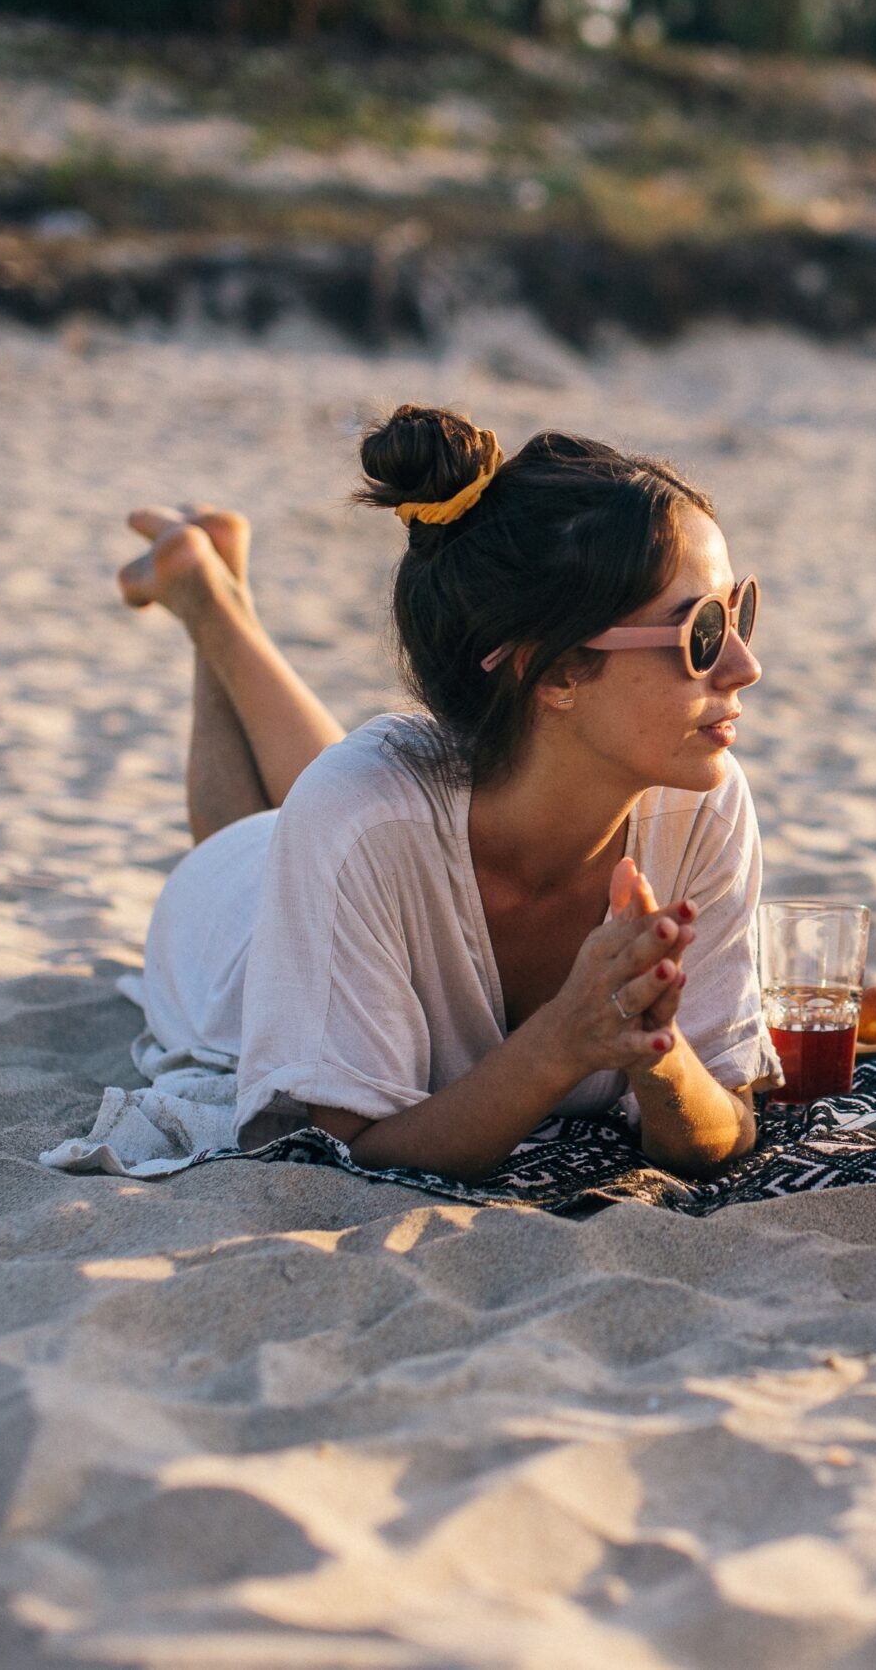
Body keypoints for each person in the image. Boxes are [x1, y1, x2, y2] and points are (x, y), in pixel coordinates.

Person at [112, 406, 774, 1183]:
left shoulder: (703, 801)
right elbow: (349, 1151)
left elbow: (722, 1123)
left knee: (348, 797)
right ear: (554, 672)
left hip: (369, 825)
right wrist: (564, 1039)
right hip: (227, 930)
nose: (743, 666)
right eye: (700, 633)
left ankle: (207, 576)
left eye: (740, 613)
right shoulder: (358, 819)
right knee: (263, 830)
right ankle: (207, 599)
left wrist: (659, 1055)